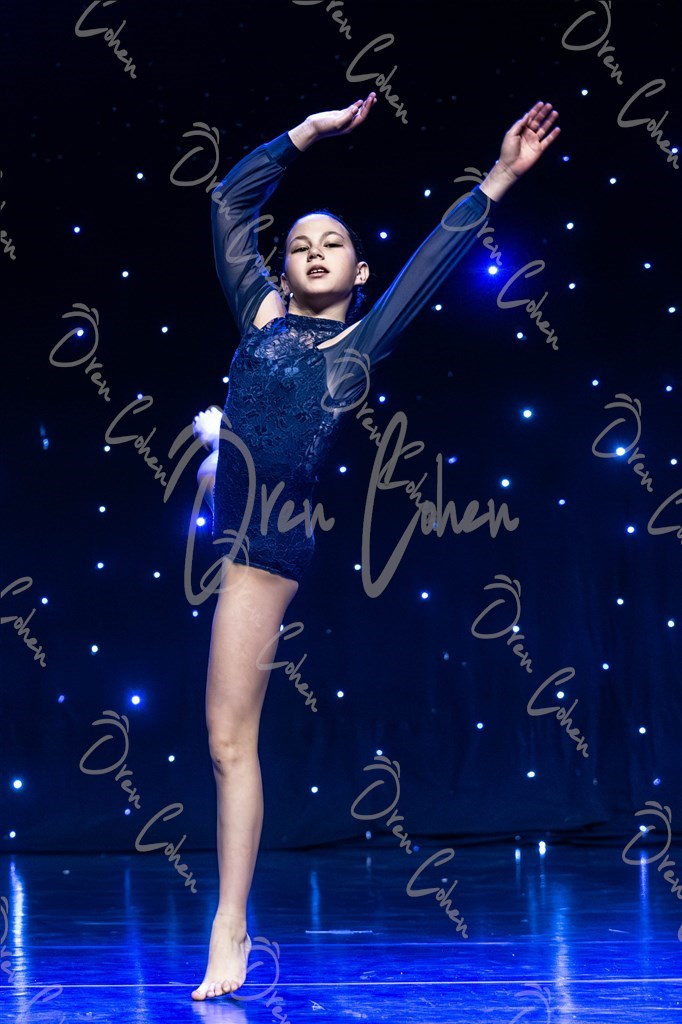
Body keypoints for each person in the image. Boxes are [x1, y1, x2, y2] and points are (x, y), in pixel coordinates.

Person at [190, 93, 560, 1001]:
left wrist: (501, 176)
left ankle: (230, 926)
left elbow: (433, 257)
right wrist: (306, 134)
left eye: (334, 244)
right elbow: (228, 203)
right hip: (228, 520)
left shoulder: (358, 344)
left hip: (268, 540)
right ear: (283, 271)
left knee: (229, 740)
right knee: (225, 737)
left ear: (359, 272)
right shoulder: (260, 316)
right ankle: (210, 460)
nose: (314, 251)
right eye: (299, 245)